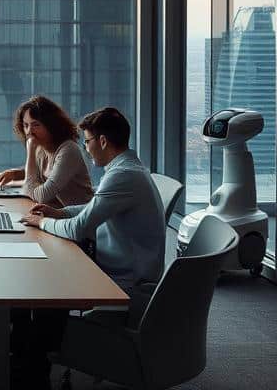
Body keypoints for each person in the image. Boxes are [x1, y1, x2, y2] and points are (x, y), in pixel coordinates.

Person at [12, 107, 166, 389]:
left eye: (88, 140)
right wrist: (59, 212)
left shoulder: (123, 176)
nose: (86, 147)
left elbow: (78, 229)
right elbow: (93, 209)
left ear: (103, 141)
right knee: (39, 285)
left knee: (44, 290)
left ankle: (31, 369)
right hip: (118, 263)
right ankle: (24, 360)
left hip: (125, 279)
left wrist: (42, 222)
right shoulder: (127, 169)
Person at [0, 95, 94, 207]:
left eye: (36, 125)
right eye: (26, 125)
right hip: (57, 213)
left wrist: (30, 151)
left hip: (78, 219)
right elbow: (39, 173)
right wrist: (15, 173)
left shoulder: (68, 150)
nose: (29, 131)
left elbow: (40, 196)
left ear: (51, 125)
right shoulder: (42, 148)